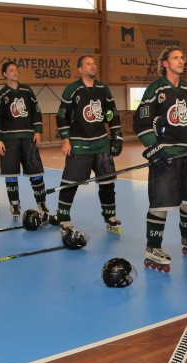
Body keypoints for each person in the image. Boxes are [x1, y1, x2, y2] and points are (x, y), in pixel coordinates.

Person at [133, 46, 187, 272]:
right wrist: (153, 148)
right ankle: (153, 247)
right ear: (165, 63)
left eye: (182, 57)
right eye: (176, 58)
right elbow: (141, 122)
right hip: (165, 155)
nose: (181, 61)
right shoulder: (155, 89)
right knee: (161, 202)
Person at [55, 55, 123, 239]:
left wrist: (116, 134)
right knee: (70, 184)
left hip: (101, 143)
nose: (93, 66)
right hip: (79, 144)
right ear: (80, 69)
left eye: (94, 63)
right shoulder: (72, 89)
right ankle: (63, 218)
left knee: (107, 183)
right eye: (88, 64)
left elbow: (111, 112)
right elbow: (62, 116)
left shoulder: (103, 88)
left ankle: (110, 216)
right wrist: (66, 139)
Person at [0, 61, 49, 219]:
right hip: (9, 140)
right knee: (10, 174)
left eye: (16, 70)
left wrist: (38, 131)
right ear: (4, 74)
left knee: (36, 172)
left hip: (28, 138)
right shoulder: (1, 95)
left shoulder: (27, 90)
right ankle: (14, 203)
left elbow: (36, 111)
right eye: (11, 70)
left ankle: (41, 203)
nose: (15, 72)